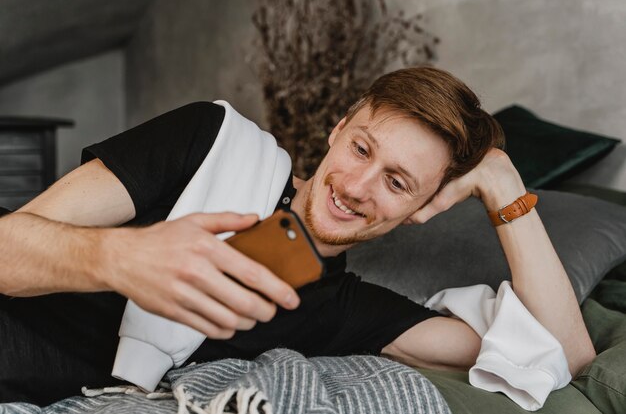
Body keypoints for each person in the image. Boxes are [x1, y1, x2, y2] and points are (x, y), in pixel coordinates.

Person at [0, 67, 595, 405]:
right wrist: (121, 259)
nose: (358, 186)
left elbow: (564, 356)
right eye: (362, 148)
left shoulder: (341, 309)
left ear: (422, 207)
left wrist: (500, 181)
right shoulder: (209, 141)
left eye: (396, 182)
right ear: (338, 128)